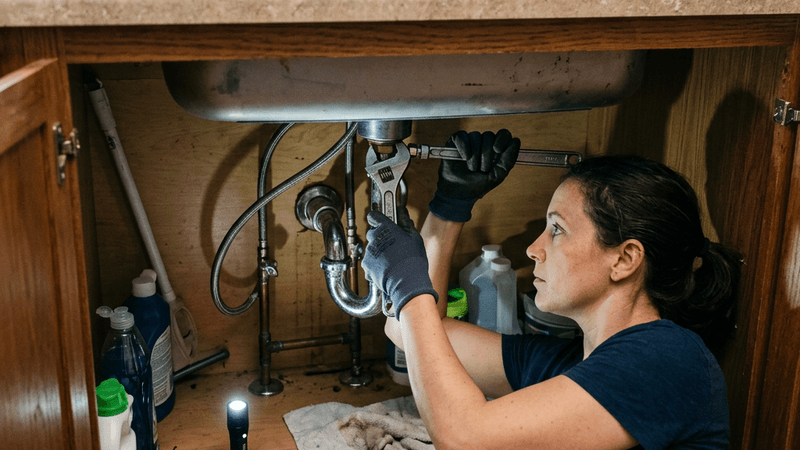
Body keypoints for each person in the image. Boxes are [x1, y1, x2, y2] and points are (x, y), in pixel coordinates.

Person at [362, 129, 743, 450]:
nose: (533, 249)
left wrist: (407, 283)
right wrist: (450, 209)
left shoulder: (666, 358)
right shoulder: (571, 364)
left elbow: (466, 438)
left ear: (625, 259)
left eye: (557, 229)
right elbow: (409, 334)